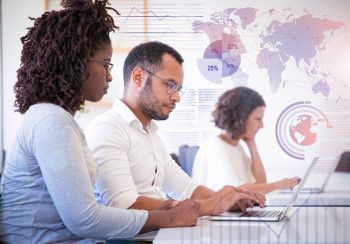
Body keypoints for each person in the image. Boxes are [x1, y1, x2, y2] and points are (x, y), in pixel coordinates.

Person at [0, 1, 201, 243]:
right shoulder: (51, 120)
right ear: (76, 62)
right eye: (105, 64)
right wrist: (166, 218)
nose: (110, 75)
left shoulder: (57, 118)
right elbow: (84, 219)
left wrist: (161, 213)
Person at [85, 41, 266, 217]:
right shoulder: (108, 129)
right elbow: (123, 205)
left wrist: (230, 201)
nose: (177, 97)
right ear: (139, 77)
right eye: (170, 85)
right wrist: (211, 204)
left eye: (178, 89)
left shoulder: (151, 134)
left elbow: (187, 188)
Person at [192, 87, 301, 193]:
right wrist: (279, 185)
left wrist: (252, 145)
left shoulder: (237, 147)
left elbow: (260, 184)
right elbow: (234, 191)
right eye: (258, 119)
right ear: (241, 117)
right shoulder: (214, 146)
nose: (262, 125)